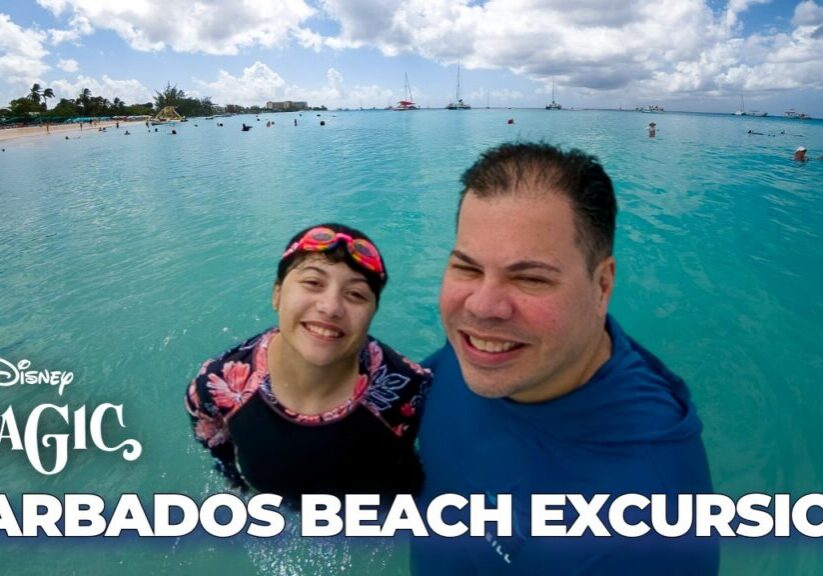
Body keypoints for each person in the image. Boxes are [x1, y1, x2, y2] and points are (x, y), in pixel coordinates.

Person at [412, 142, 718, 575]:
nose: (482, 307)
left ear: (602, 285)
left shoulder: (648, 531)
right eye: (467, 268)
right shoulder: (481, 353)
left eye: (531, 278)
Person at [186, 224, 430, 505]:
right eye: (313, 283)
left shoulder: (409, 391)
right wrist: (236, 483)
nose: (330, 307)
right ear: (277, 294)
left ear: (372, 313)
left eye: (356, 294)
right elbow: (217, 448)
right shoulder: (218, 386)